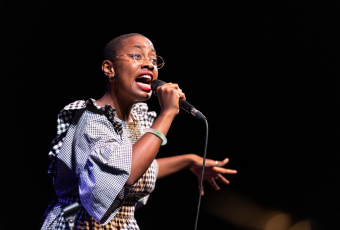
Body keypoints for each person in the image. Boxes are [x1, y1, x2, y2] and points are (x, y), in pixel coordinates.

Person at [40, 33, 237, 230]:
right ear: (109, 68)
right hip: (78, 224)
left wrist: (189, 161)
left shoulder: (136, 121)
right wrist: (167, 113)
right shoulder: (90, 118)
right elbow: (125, 172)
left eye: (153, 60)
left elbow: (142, 165)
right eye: (137, 56)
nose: (149, 65)